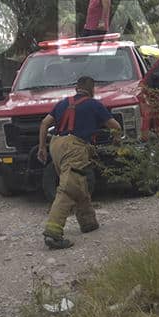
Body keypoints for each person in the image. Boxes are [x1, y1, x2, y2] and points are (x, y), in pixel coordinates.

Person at [36, 76, 123, 249]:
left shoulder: (62, 103)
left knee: (77, 181)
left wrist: (41, 147)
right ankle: (53, 233)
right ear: (92, 89)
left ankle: (88, 222)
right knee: (69, 188)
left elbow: (45, 123)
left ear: (76, 88)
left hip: (56, 145)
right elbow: (115, 126)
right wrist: (116, 141)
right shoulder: (94, 104)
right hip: (75, 147)